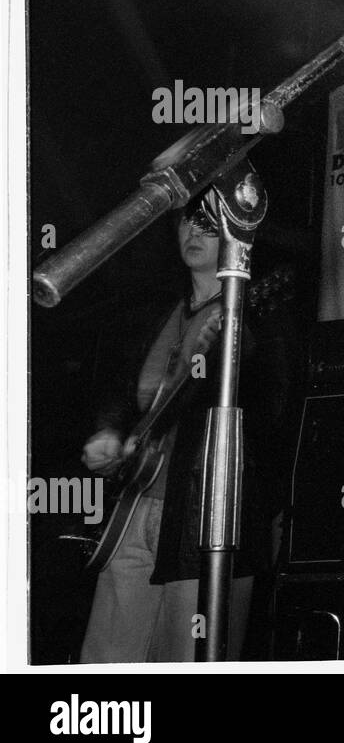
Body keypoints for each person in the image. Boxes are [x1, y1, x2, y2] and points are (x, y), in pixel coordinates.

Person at [79, 195, 292, 662]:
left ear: (237, 236)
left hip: (204, 513)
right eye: (187, 222)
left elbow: (272, 412)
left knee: (186, 656)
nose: (194, 233)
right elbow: (125, 391)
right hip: (136, 508)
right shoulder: (160, 309)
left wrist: (236, 353)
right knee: (107, 657)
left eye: (208, 224)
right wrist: (109, 432)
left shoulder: (255, 312)